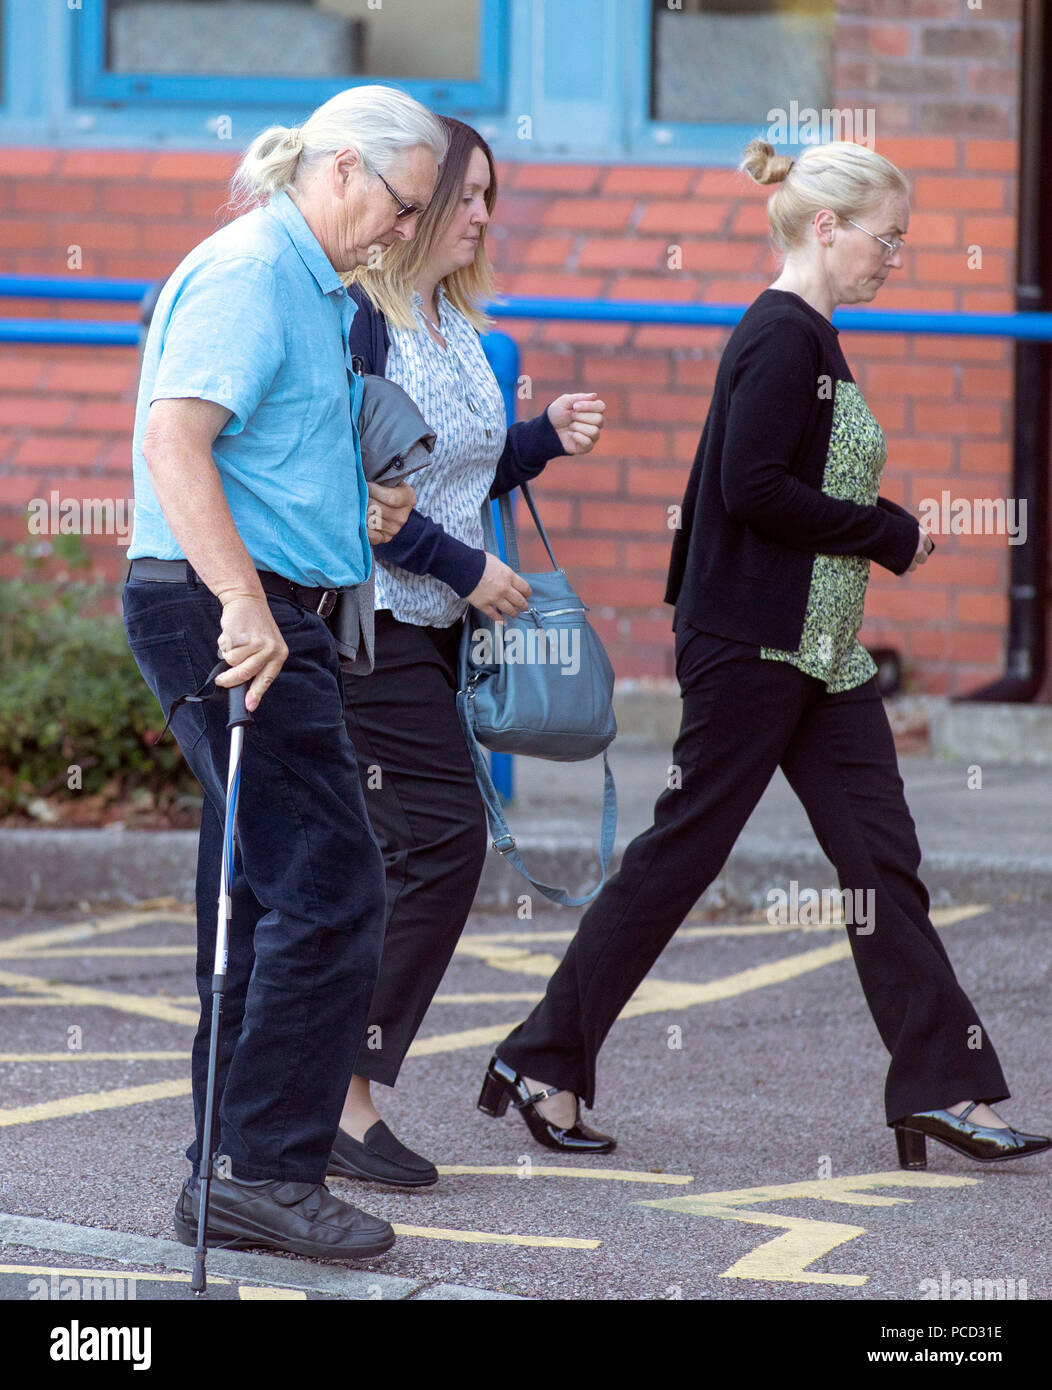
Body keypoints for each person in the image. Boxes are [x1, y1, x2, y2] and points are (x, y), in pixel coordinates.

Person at [478, 139, 1052, 1171]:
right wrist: (887, 530)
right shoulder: (781, 335)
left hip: (821, 655)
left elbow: (764, 485)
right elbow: (751, 489)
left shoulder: (811, 336)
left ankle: (942, 1085)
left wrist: (876, 533)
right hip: (750, 646)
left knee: (882, 862)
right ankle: (540, 1058)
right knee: (680, 856)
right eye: (887, 238)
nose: (895, 258)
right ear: (825, 227)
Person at [123, 85, 447, 1260]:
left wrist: (351, 509)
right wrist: (249, 604)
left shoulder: (310, 283)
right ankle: (262, 1169)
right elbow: (174, 438)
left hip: (261, 604)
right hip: (233, 613)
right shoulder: (256, 268)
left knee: (263, 895)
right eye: (403, 206)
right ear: (345, 169)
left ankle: (232, 1164)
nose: (405, 231)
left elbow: (254, 453)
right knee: (329, 889)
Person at [320, 116, 608, 1187]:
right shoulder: (364, 322)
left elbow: (449, 473)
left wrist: (543, 437)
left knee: (393, 857)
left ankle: (326, 1090)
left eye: (490, 194)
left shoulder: (450, 321)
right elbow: (366, 499)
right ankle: (337, 1097)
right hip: (370, 627)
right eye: (466, 195)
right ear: (419, 201)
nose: (483, 214)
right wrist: (465, 570)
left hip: (433, 634)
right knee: (439, 846)